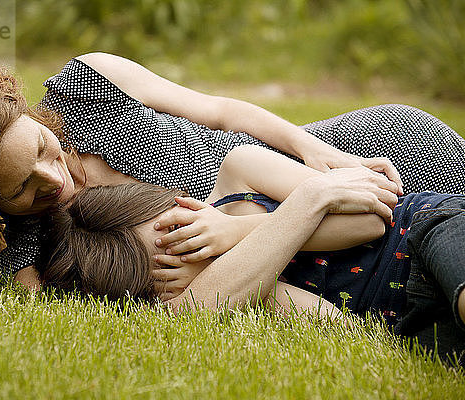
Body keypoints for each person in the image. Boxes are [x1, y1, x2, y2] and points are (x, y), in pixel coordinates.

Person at [0, 52, 465, 292]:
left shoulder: (85, 86)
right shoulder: (29, 238)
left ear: (27, 112)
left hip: (353, 155)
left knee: (442, 226)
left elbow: (221, 111)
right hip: (308, 230)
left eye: (46, 149)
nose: (54, 180)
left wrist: (310, 149)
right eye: (24, 189)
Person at [37, 145, 465, 364]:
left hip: (422, 233)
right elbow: (351, 331)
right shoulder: (235, 294)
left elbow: (370, 220)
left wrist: (238, 230)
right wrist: (247, 273)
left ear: (172, 202)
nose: (188, 251)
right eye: (168, 261)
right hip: (408, 315)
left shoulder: (240, 173)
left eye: (175, 230)